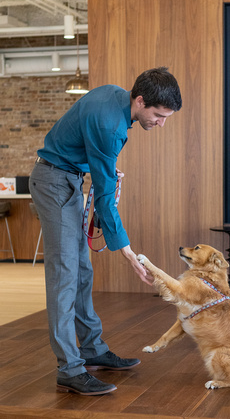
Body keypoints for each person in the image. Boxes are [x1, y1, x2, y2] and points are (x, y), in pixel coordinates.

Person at [29, 67, 182, 395]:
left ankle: (92, 350)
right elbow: (104, 192)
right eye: (158, 115)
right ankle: (69, 369)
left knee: (81, 270)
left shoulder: (117, 98)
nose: (161, 123)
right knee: (64, 275)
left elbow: (99, 167)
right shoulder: (109, 123)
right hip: (54, 183)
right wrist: (126, 251)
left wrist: (107, 171)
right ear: (140, 101)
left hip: (68, 179)